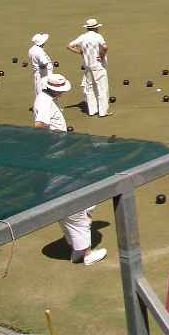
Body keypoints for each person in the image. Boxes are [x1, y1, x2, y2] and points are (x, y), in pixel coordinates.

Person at [33, 73, 108, 266]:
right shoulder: (44, 102)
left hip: (60, 156)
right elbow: (39, 126)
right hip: (55, 158)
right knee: (76, 204)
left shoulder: (47, 98)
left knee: (75, 199)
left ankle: (78, 249)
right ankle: (87, 254)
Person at [67, 18, 110, 117]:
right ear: (95, 28)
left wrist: (80, 52)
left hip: (87, 66)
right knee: (102, 88)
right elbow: (105, 47)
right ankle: (103, 112)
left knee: (90, 88)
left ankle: (92, 110)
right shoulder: (98, 36)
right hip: (98, 65)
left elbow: (69, 46)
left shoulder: (82, 37)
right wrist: (102, 55)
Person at [29, 33, 54, 97]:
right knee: (45, 92)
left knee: (39, 91)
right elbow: (44, 63)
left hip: (38, 73)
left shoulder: (32, 49)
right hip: (44, 74)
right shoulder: (40, 52)